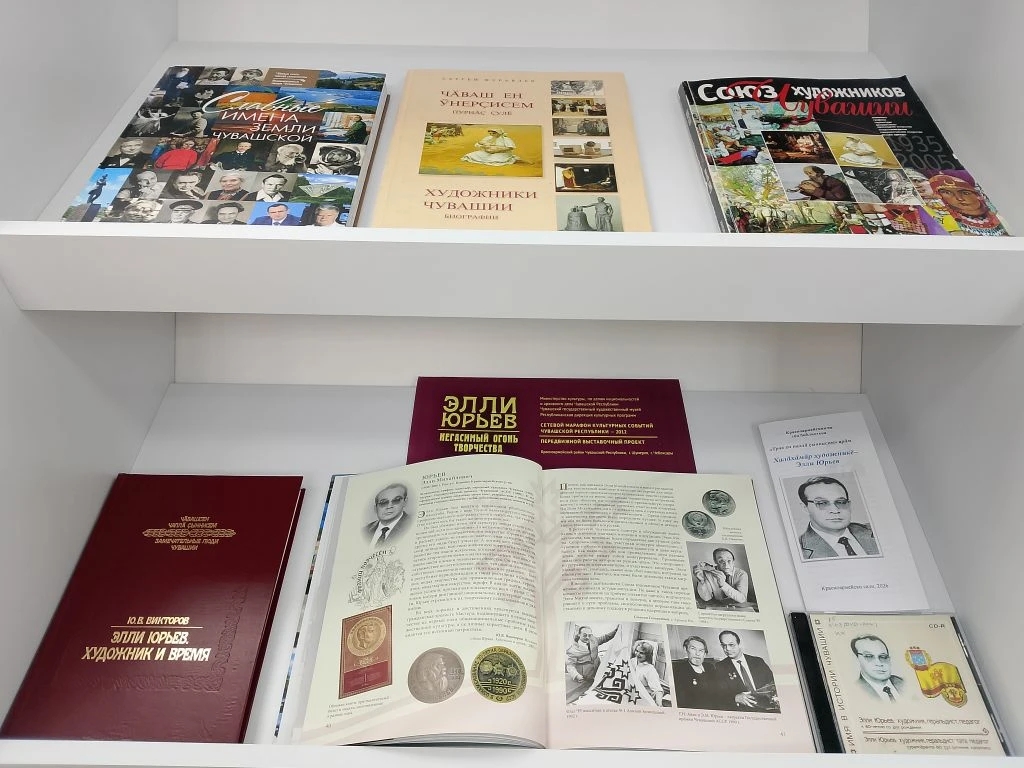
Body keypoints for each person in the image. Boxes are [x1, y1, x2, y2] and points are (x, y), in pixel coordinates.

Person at [797, 476, 878, 559]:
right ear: (805, 507)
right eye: (822, 503)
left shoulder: (876, 530)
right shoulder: (798, 551)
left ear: (849, 505)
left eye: (841, 502)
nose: (835, 510)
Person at [712, 631, 775, 710]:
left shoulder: (758, 661)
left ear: (740, 644)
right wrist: (735, 698)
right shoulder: (720, 667)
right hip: (742, 711)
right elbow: (718, 695)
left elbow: (773, 684)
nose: (727, 649)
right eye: (724, 645)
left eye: (731, 644)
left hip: (768, 707)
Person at [929, 173, 1008, 236]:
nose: (959, 198)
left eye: (965, 193)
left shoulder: (1000, 215)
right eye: (947, 192)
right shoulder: (947, 222)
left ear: (978, 195)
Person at [565, 624, 618, 702]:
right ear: (579, 634)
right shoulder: (573, 649)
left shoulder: (593, 640)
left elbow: (605, 637)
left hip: (596, 672)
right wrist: (576, 675)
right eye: (585, 635)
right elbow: (570, 665)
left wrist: (616, 631)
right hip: (584, 677)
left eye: (589, 635)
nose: (587, 637)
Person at [851, 635, 905, 701]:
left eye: (883, 657)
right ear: (857, 660)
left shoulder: (903, 683)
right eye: (869, 656)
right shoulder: (855, 691)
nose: (879, 663)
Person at [672, 635, 718, 709]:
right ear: (685, 650)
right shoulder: (678, 671)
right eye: (693, 649)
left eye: (701, 650)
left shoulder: (710, 667)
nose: (697, 654)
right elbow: (683, 702)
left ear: (705, 654)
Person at [628, 640, 664, 707]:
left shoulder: (650, 669)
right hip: (630, 693)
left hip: (642, 698)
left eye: (641, 653)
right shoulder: (631, 661)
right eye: (637, 651)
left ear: (647, 655)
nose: (637, 654)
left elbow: (658, 690)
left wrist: (659, 704)